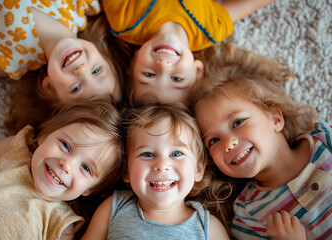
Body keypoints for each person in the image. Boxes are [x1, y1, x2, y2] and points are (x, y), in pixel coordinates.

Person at [191, 45, 331, 239]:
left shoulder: (324, 138)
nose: (228, 143)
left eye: (238, 122)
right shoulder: (247, 214)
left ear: (275, 119)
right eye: (214, 140)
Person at [0, 97, 124, 239]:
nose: (67, 165)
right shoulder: (16, 151)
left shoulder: (61, 225)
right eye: (65, 145)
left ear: (90, 189)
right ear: (45, 136)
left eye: (85, 168)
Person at [81, 104, 232, 239]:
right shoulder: (114, 207)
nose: (162, 165)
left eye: (176, 154)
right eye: (147, 154)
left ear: (198, 169)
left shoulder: (208, 228)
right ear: (127, 171)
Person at [101, 0, 276, 105]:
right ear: (197, 70)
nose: (164, 65)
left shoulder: (124, 21)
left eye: (148, 74)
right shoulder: (211, 29)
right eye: (177, 79)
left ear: (133, 63)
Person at [0, 0, 123, 104]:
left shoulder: (15, 58)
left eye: (76, 88)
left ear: (49, 87)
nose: (82, 70)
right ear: (102, 53)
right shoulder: (81, 6)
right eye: (97, 70)